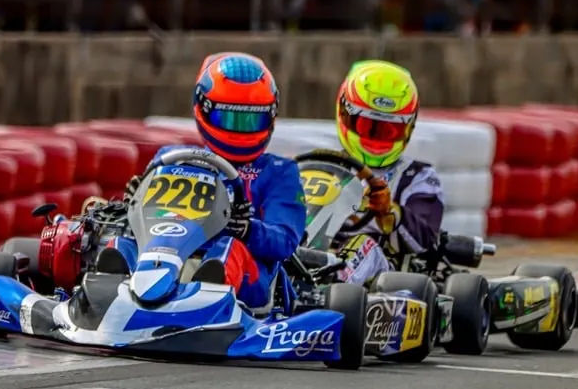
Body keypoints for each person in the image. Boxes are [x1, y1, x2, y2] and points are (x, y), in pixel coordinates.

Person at [122, 52, 307, 310]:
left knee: (228, 249)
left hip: (247, 276)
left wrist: (247, 229)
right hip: (167, 254)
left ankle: (203, 302)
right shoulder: (171, 159)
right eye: (230, 119)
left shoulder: (278, 172)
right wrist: (134, 204)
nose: (240, 130)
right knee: (123, 243)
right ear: (204, 109)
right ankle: (109, 288)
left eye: (251, 120)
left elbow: (286, 239)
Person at [329, 59, 444, 286]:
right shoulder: (323, 167)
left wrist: (389, 212)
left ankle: (330, 288)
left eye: (389, 130)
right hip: (317, 255)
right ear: (346, 114)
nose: (376, 136)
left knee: (364, 245)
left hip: (385, 278)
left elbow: (425, 242)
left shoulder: (417, 177)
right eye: (366, 125)